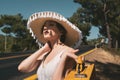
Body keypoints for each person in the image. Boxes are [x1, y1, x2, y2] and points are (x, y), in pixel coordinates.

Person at [18, 11, 82, 80]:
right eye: (44, 26)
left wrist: (63, 58)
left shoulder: (68, 51)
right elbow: (22, 68)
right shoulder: (45, 53)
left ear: (61, 32)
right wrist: (43, 49)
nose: (45, 27)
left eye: (51, 25)